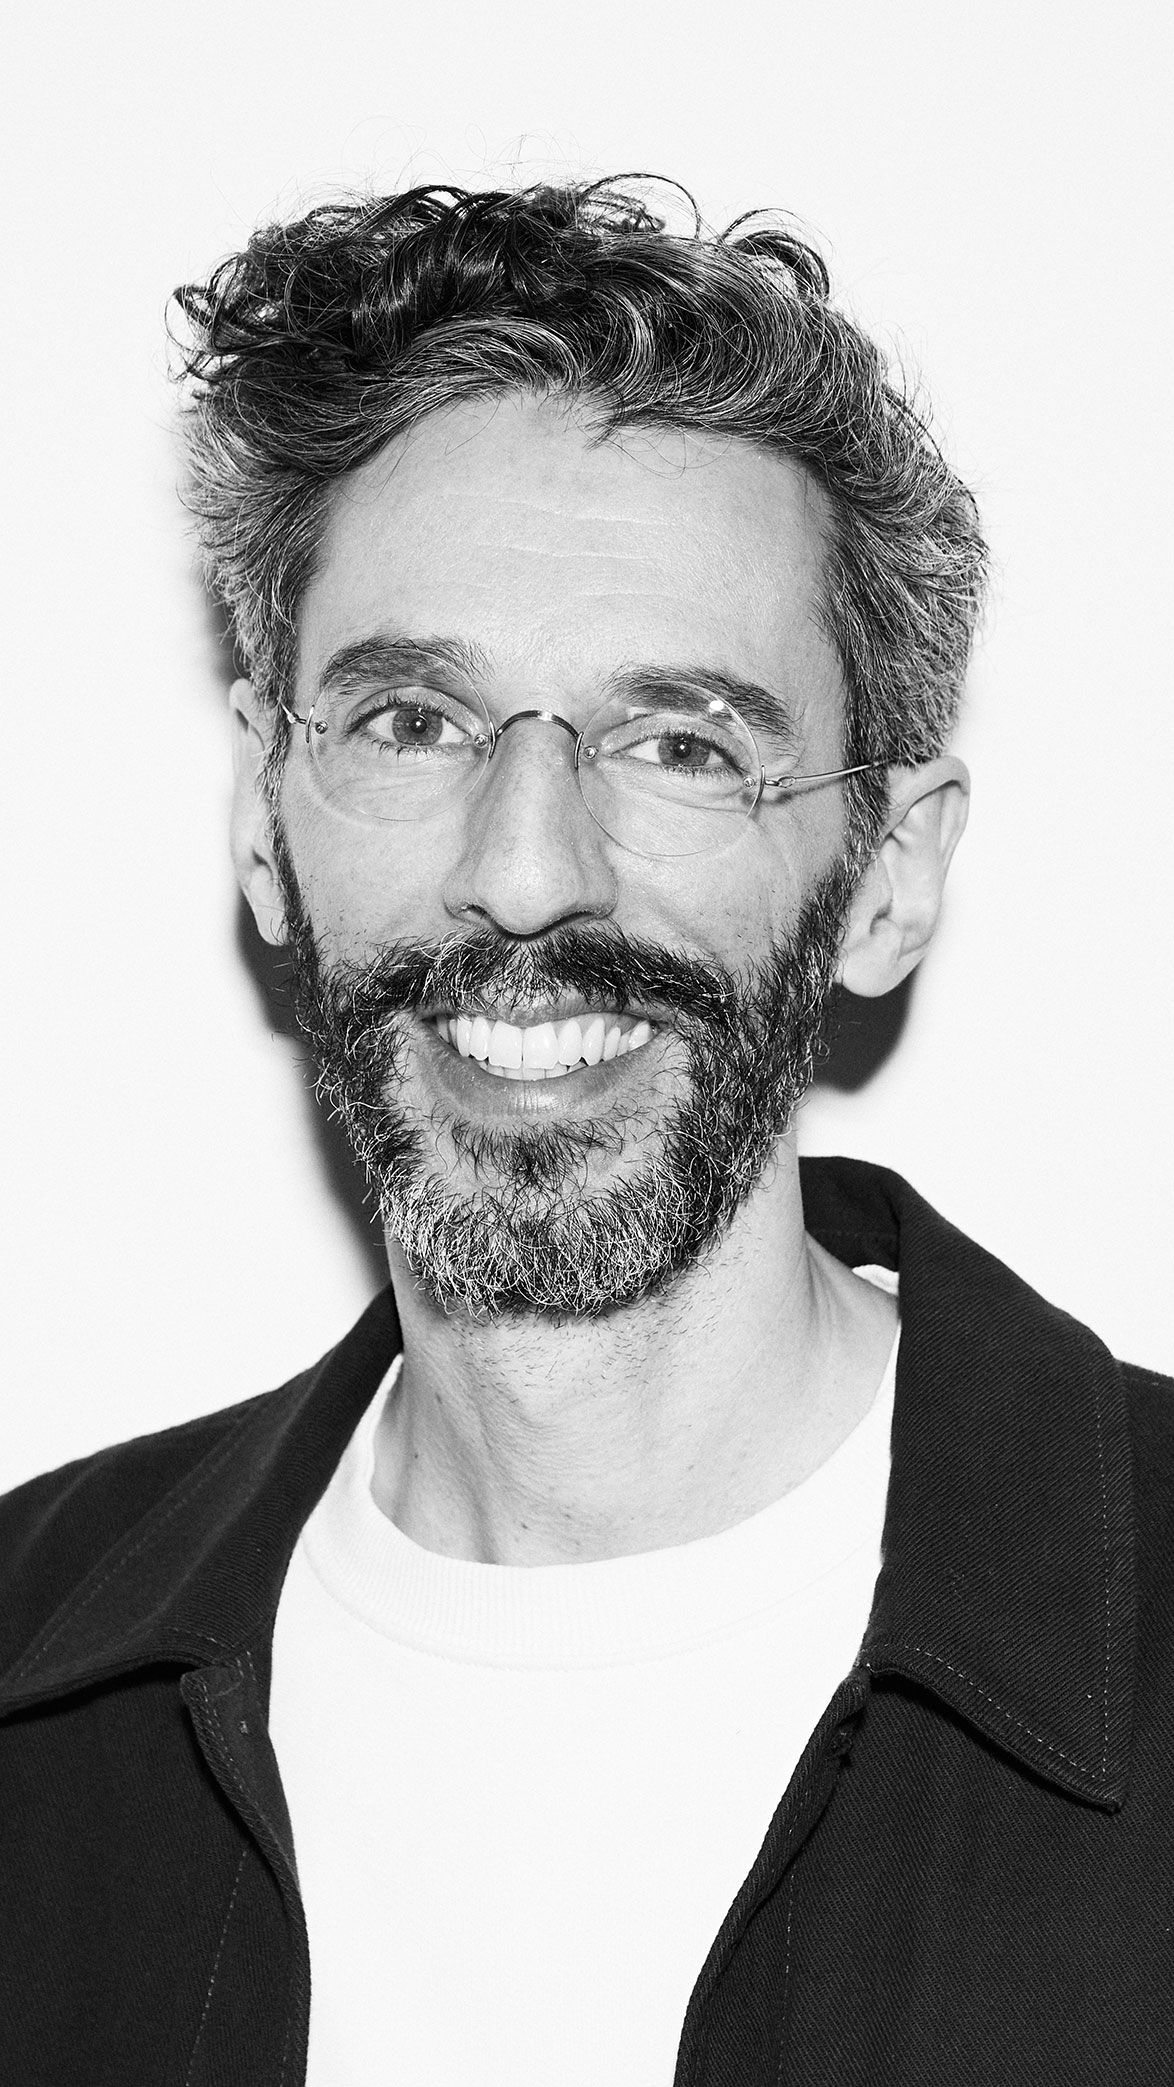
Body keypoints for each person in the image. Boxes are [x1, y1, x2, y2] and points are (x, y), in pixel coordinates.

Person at [1, 177, 1170, 2087]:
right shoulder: (29, 1684)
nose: (525, 873)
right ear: (258, 816)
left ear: (885, 870)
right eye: (411, 724)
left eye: (680, 744)